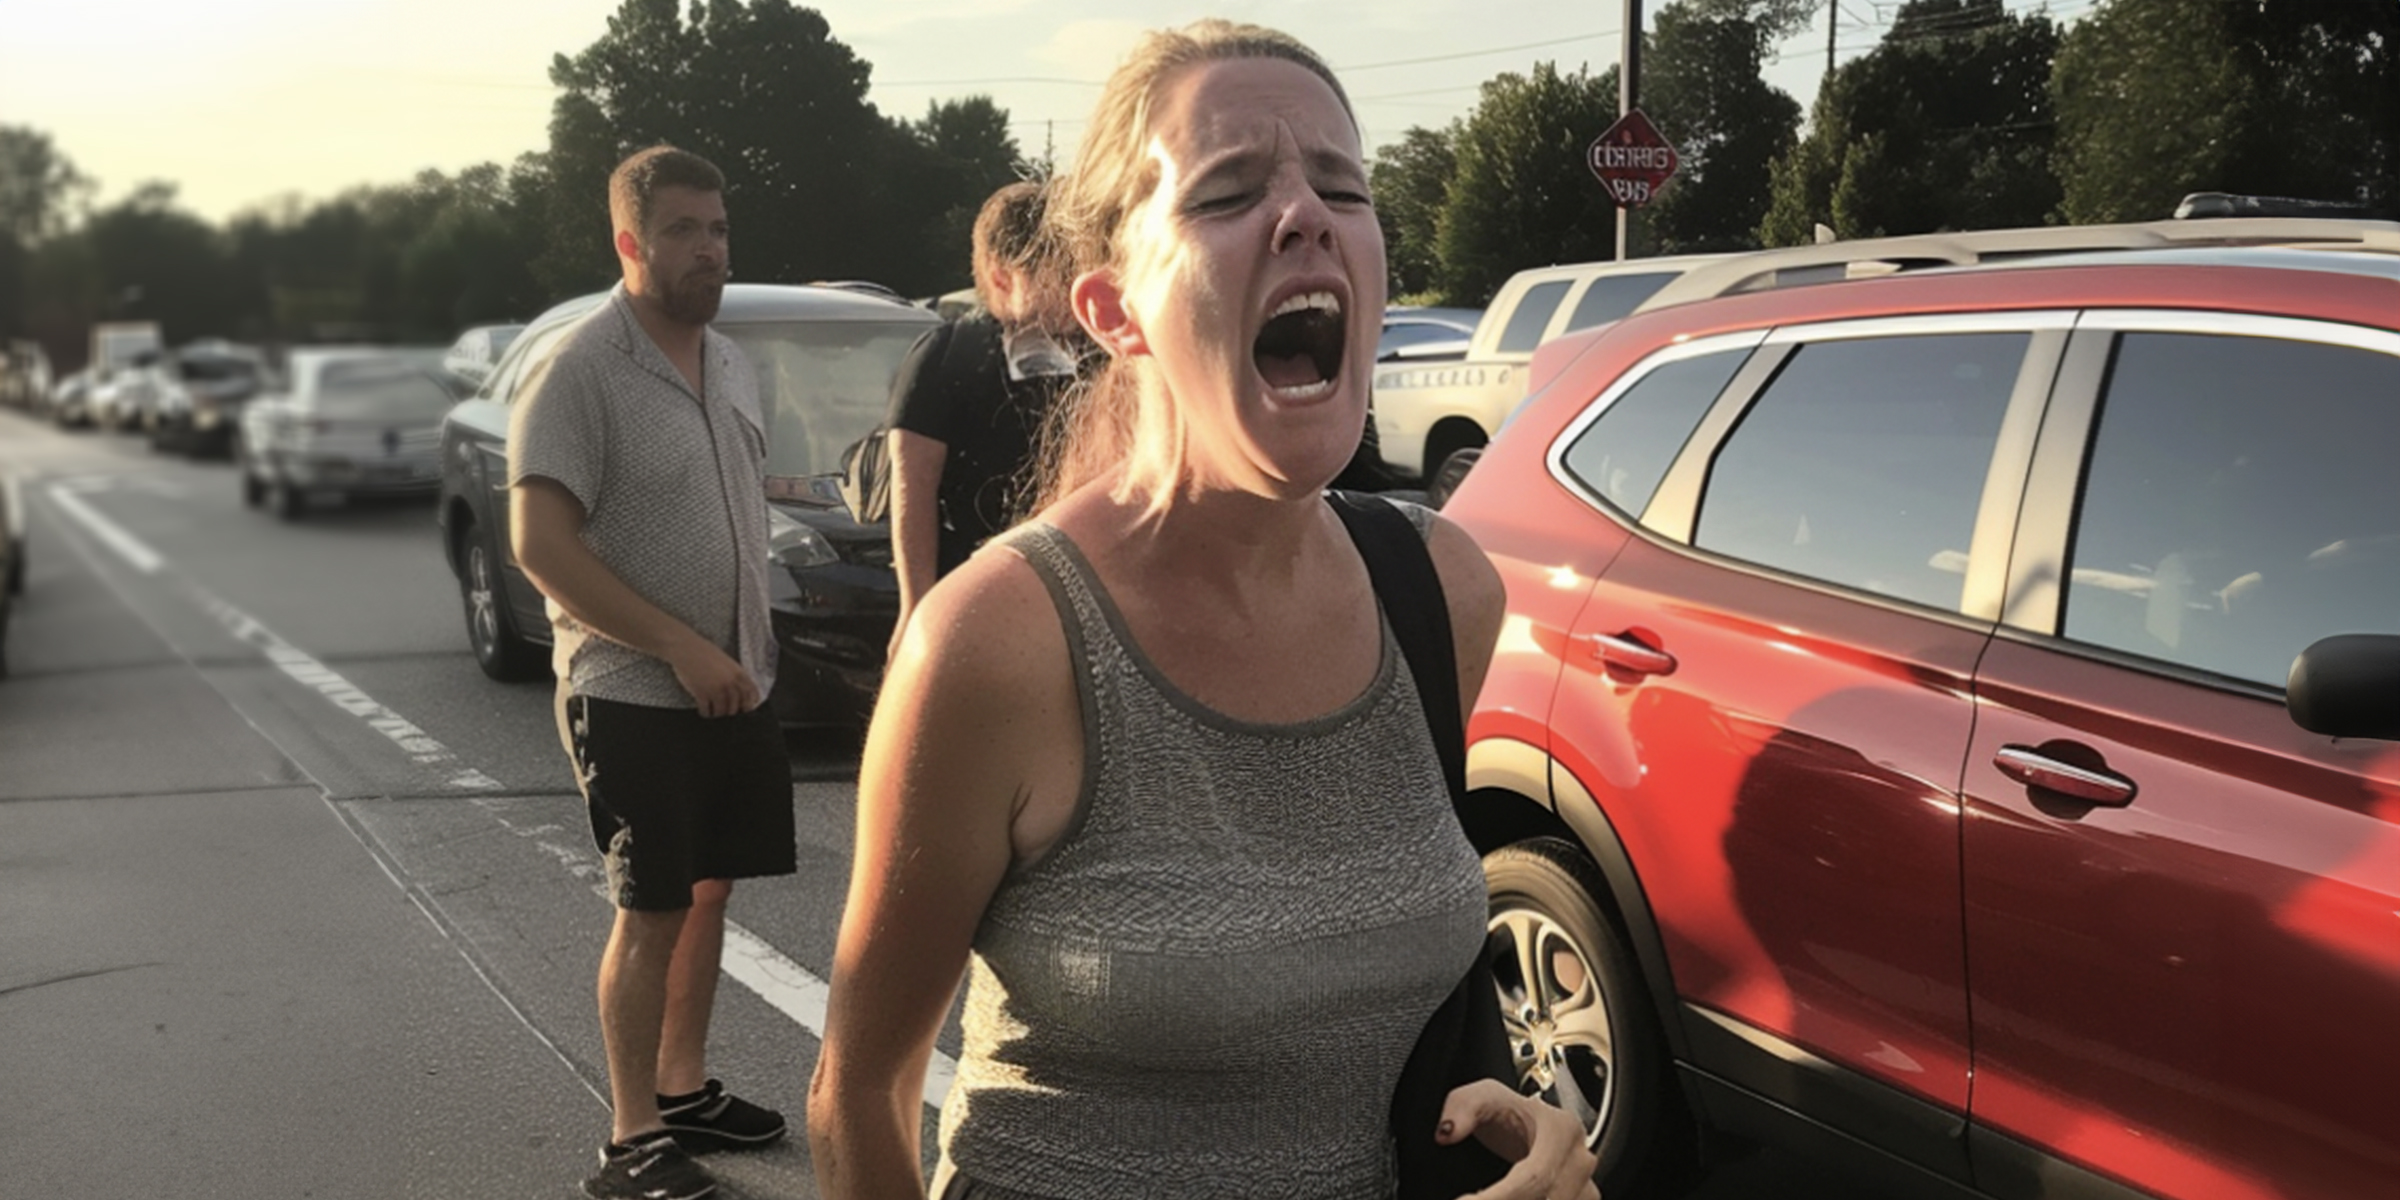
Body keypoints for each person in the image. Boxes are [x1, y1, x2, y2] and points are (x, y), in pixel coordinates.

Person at [808, 20, 1598, 1200]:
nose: (1306, 214)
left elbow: (1348, 1003)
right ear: (1115, 310)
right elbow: (858, 1097)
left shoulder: (1441, 590)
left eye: (1344, 184)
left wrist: (1526, 1131)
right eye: (1229, 191)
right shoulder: (1000, 642)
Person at [509, 144, 793, 1200]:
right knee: (654, 903)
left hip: (734, 680)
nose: (709, 249)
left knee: (712, 888)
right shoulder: (581, 371)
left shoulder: (728, 361)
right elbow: (540, 543)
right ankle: (632, 1141)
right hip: (633, 690)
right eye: (684, 230)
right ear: (630, 241)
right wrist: (678, 644)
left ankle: (683, 1088)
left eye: (718, 228)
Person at [885, 180, 1085, 660]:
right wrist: (915, 607)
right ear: (1001, 277)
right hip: (972, 589)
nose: (1073, 285)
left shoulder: (1098, 354)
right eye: (1057, 269)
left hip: (1079, 592)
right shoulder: (948, 355)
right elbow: (913, 491)